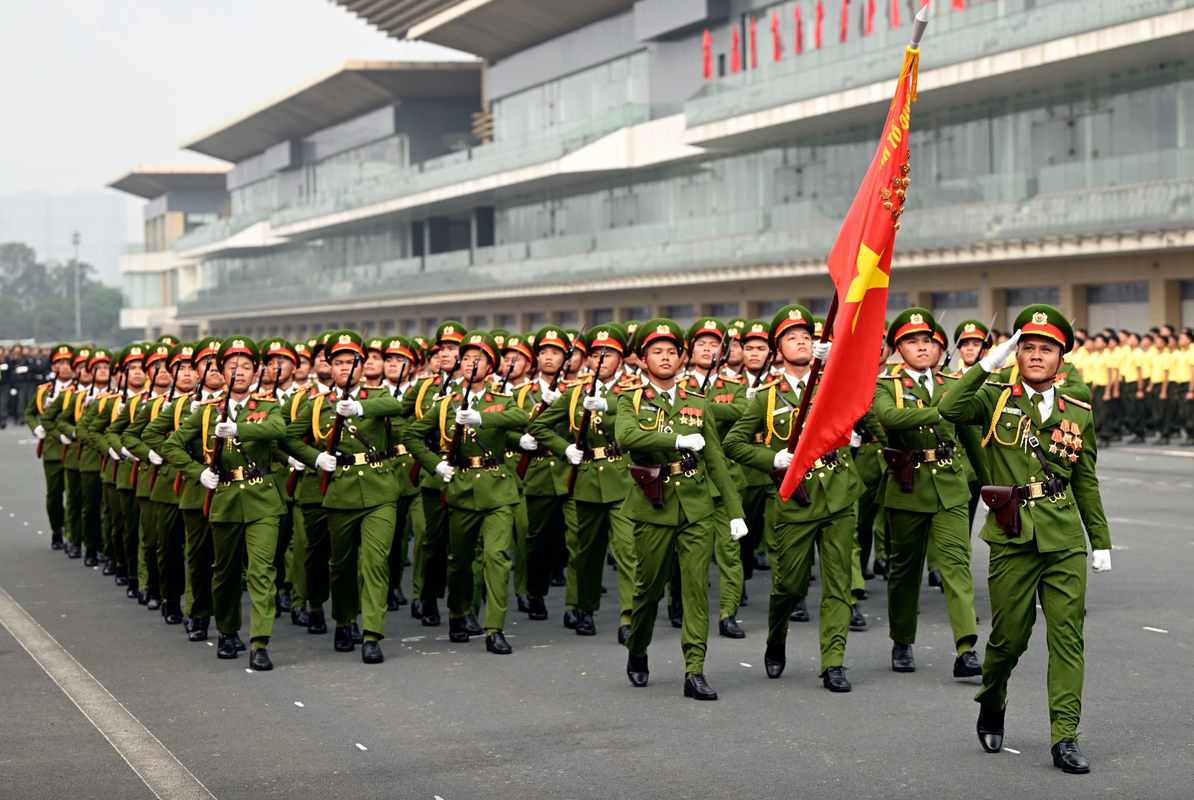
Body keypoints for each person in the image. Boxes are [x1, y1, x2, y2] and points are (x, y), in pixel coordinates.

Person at [939, 304, 1112, 774]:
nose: (1036, 356)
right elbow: (947, 408)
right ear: (1017, 354)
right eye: (1028, 348)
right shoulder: (993, 396)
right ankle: (992, 698)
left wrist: (1100, 540)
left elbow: (1086, 477)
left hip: (1063, 535)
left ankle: (1065, 736)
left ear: (1061, 358)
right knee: (1008, 641)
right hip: (1013, 534)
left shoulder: (1077, 407)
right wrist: (986, 364)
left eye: (1046, 349)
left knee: (1067, 639)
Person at [724, 305, 858, 692]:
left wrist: (838, 363)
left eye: (807, 336)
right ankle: (776, 636)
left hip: (838, 495)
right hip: (795, 500)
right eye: (791, 337)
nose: (801, 342)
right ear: (777, 350)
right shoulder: (767, 396)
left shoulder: (832, 383)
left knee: (838, 584)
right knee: (788, 585)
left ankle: (833, 662)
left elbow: (866, 392)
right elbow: (734, 442)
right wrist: (772, 459)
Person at [615, 319, 746, 700]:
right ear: (642, 360)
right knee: (649, 588)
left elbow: (718, 461)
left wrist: (735, 510)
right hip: (652, 505)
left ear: (682, 357)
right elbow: (626, 436)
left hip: (695, 506)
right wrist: (675, 439)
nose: (666, 357)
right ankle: (638, 647)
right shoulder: (631, 398)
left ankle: (694, 670)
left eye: (672, 351)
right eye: (657, 351)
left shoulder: (697, 401)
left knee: (695, 590)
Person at [162, 336, 287, 670]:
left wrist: (239, 428)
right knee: (225, 572)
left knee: (262, 572)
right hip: (226, 499)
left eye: (246, 367)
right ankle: (227, 631)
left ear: (257, 371)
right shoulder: (206, 413)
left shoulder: (268, 405)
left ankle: (260, 643)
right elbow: (171, 444)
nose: (239, 373)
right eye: (232, 367)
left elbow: (277, 428)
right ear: (220, 370)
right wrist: (198, 472)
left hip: (263, 498)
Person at [872, 309, 982, 678]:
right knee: (905, 570)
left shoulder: (952, 384)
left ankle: (966, 647)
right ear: (898, 348)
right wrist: (938, 412)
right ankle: (902, 640)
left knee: (956, 564)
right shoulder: (886, 384)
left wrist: (992, 483)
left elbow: (971, 438)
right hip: (908, 486)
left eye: (928, 341)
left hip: (951, 486)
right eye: (912, 341)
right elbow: (889, 418)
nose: (922, 347)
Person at [405, 330, 530, 654]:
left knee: (496, 558)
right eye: (468, 359)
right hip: (460, 488)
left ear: (491, 368)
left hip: (497, 490)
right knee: (459, 560)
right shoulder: (445, 405)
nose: (472, 364)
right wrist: (435, 465)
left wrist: (481, 418)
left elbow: (521, 416)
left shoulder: (500, 401)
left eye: (480, 359)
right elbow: (412, 434)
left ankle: (494, 629)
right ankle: (459, 613)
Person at [284, 331, 402, 664]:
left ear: (362, 366)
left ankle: (372, 634)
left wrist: (360, 406)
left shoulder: (376, 397)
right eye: (338, 363)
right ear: (330, 367)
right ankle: (344, 620)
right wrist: (315, 458)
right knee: (341, 565)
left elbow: (399, 405)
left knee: (375, 562)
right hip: (339, 493)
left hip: (380, 491)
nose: (345, 368)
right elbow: (290, 439)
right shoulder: (317, 404)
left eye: (351, 362)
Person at [529, 324, 636, 641]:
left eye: (610, 355)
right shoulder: (575, 393)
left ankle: (628, 617)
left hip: (623, 478)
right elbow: (539, 427)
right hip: (587, 478)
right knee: (586, 552)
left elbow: (648, 416)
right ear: (587, 360)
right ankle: (585, 610)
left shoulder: (632, 390)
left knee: (627, 550)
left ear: (620, 359)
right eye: (596, 355)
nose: (603, 361)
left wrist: (610, 405)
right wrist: (566, 450)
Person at [26, 344, 75, 550]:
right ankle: (57, 530)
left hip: (74, 448)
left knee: (73, 495)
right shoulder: (43, 391)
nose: (64, 367)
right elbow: (29, 413)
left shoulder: (80, 390)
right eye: (59, 363)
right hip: (52, 449)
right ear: (53, 365)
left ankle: (72, 536)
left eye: (68, 363)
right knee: (54, 495)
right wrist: (36, 427)